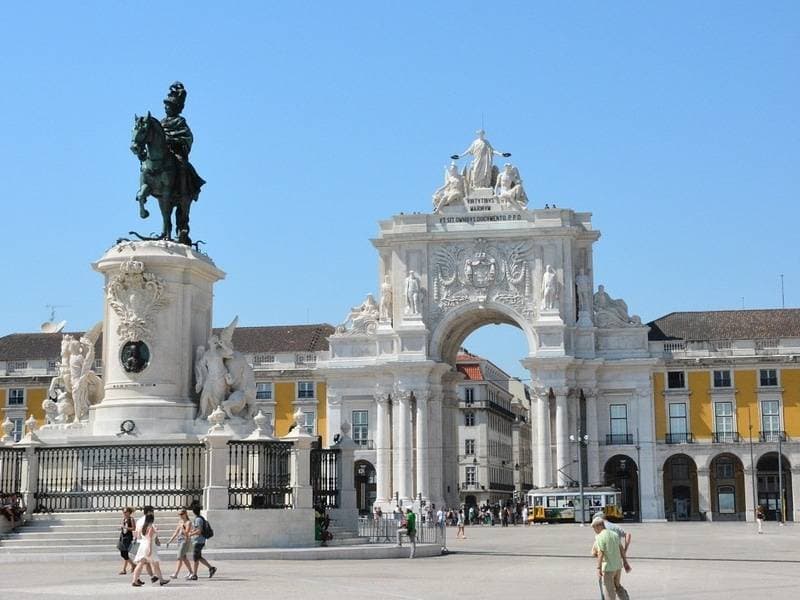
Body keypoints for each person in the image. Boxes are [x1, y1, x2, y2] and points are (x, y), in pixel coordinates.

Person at [592, 516, 630, 600]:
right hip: (618, 567)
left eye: (594, 528)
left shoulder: (600, 537)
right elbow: (621, 549)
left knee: (609, 591)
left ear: (599, 526)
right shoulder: (614, 534)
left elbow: (600, 553)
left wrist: (598, 568)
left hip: (608, 568)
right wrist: (625, 562)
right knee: (617, 586)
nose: (594, 530)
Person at [131, 514, 169, 586]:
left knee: (141, 564)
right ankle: (161, 580)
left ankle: (134, 580)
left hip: (142, 545)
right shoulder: (150, 527)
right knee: (155, 564)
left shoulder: (142, 527)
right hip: (149, 546)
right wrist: (150, 549)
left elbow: (138, 536)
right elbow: (150, 539)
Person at [188, 503, 217, 580]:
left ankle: (194, 575)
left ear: (193, 511)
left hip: (198, 541)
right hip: (200, 540)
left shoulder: (198, 519)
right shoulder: (200, 518)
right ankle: (211, 568)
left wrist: (190, 534)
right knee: (199, 557)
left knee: (195, 558)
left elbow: (199, 531)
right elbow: (197, 529)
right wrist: (193, 531)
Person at [166, 508, 193, 579]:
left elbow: (186, 533)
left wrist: (182, 527)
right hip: (179, 540)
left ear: (185, 514)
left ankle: (176, 574)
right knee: (184, 558)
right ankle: (191, 572)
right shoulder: (180, 522)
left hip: (185, 541)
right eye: (179, 514)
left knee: (179, 557)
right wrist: (170, 540)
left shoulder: (188, 522)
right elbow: (176, 532)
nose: (180, 516)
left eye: (181, 514)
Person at [134, 506, 158, 584]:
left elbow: (137, 533)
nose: (153, 513)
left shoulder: (139, 520)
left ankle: (152, 577)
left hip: (140, 542)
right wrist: (156, 540)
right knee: (142, 563)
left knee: (145, 562)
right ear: (148, 512)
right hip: (145, 543)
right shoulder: (148, 520)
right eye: (152, 511)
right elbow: (150, 534)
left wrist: (136, 540)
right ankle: (135, 579)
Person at [117, 507, 136, 575]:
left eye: (125, 512)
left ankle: (131, 566)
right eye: (123, 512)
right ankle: (126, 568)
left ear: (129, 512)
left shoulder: (131, 519)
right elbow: (123, 527)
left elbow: (134, 528)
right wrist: (121, 528)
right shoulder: (124, 519)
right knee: (124, 554)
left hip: (128, 537)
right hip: (122, 537)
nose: (124, 513)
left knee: (124, 554)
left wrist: (125, 527)